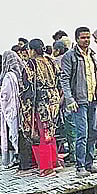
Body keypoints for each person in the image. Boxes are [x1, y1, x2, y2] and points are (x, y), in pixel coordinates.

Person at [59, 27, 97, 174]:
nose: (86, 40)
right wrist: (69, 99)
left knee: (93, 132)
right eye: (83, 38)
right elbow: (64, 79)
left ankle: (89, 163)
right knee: (82, 134)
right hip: (79, 101)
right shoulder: (70, 56)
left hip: (93, 99)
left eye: (88, 37)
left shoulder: (92, 55)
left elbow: (95, 77)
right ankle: (80, 166)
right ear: (77, 39)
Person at [19, 39, 61, 175]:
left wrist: (25, 105)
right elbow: (59, 79)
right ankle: (54, 162)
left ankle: (46, 167)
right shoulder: (51, 61)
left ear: (32, 50)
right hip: (54, 99)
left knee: (42, 133)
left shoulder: (31, 64)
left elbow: (27, 85)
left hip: (41, 102)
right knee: (51, 131)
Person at [0, 50, 23, 168]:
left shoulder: (8, 76)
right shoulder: (21, 72)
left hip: (10, 109)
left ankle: (14, 159)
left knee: (10, 134)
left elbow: (5, 95)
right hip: (21, 109)